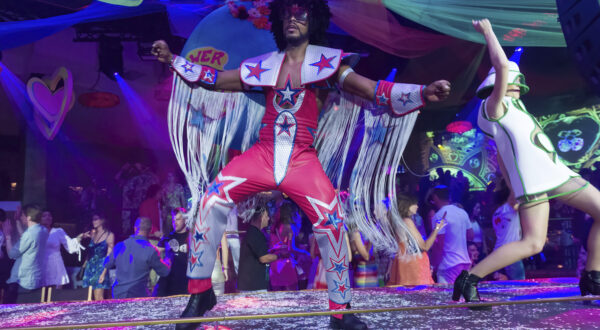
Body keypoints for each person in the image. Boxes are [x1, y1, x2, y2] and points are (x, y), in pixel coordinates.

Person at [152, 0, 450, 328]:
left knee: (333, 223)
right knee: (210, 202)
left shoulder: (327, 63)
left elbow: (372, 90)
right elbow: (216, 79)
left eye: (301, 13)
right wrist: (173, 60)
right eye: (287, 13)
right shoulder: (264, 65)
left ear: (314, 19)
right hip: (262, 155)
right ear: (278, 21)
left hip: (301, 161)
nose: (293, 19)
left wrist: (422, 93)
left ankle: (341, 312)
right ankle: (200, 293)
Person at [453, 19, 600, 307]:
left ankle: (593, 277)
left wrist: (510, 189)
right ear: (502, 83)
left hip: (556, 173)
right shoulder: (494, 108)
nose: (519, 85)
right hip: (535, 181)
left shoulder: (519, 110)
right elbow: (504, 66)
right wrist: (489, 32)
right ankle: (469, 278)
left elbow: (508, 158)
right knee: (533, 243)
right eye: (513, 81)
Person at [100, 217, 170, 299]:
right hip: (138, 297)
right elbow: (164, 272)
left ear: (135, 228)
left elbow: (107, 263)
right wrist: (168, 258)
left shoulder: (120, 245)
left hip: (118, 295)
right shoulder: (151, 250)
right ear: (150, 230)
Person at [388, 194, 446, 286]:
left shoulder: (398, 222)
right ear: (407, 205)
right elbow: (425, 246)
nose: (417, 206)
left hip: (404, 264)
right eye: (414, 204)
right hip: (414, 268)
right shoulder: (407, 222)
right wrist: (437, 229)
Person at [4, 204, 49, 303]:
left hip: (24, 280)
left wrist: (8, 236)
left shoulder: (30, 234)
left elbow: (12, 254)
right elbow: (26, 238)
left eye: (22, 215)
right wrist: (17, 222)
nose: (21, 217)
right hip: (35, 277)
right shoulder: (43, 230)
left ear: (28, 217)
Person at [428, 186, 473, 284]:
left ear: (435, 197)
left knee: (448, 296)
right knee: (461, 295)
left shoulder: (439, 215)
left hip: (448, 265)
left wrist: (433, 265)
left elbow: (439, 245)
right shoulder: (462, 212)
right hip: (465, 262)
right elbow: (470, 235)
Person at [40, 210, 85, 288]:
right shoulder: (36, 232)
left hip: (56, 265)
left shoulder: (58, 231)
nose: (48, 217)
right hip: (42, 265)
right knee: (42, 295)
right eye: (44, 216)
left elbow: (70, 246)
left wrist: (79, 237)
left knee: (55, 295)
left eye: (49, 215)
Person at [238, 206, 277, 293]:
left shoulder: (253, 232)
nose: (268, 218)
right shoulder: (255, 234)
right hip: (254, 287)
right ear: (261, 217)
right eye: (266, 216)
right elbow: (264, 258)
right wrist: (278, 256)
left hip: (250, 285)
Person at [491, 180, 525, 280]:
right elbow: (513, 191)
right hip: (510, 252)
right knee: (519, 286)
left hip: (497, 252)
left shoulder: (497, 211)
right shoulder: (509, 208)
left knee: (503, 286)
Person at [81, 213, 115, 301]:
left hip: (101, 266)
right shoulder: (92, 233)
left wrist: (104, 273)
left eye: (96, 219)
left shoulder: (109, 235)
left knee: (98, 298)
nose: (93, 221)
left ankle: (100, 314)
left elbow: (109, 255)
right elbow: (89, 252)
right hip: (90, 266)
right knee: (88, 297)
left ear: (102, 220)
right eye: (93, 219)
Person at [156, 208, 189, 296]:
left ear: (185, 220)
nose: (175, 222)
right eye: (173, 220)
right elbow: (155, 251)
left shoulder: (191, 236)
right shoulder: (168, 237)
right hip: (170, 282)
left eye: (178, 219)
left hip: (187, 282)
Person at [269, 203, 299, 291]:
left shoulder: (274, 228)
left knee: (277, 296)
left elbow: (272, 246)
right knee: (292, 295)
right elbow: (291, 248)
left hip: (275, 264)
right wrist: (305, 253)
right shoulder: (289, 228)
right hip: (286, 264)